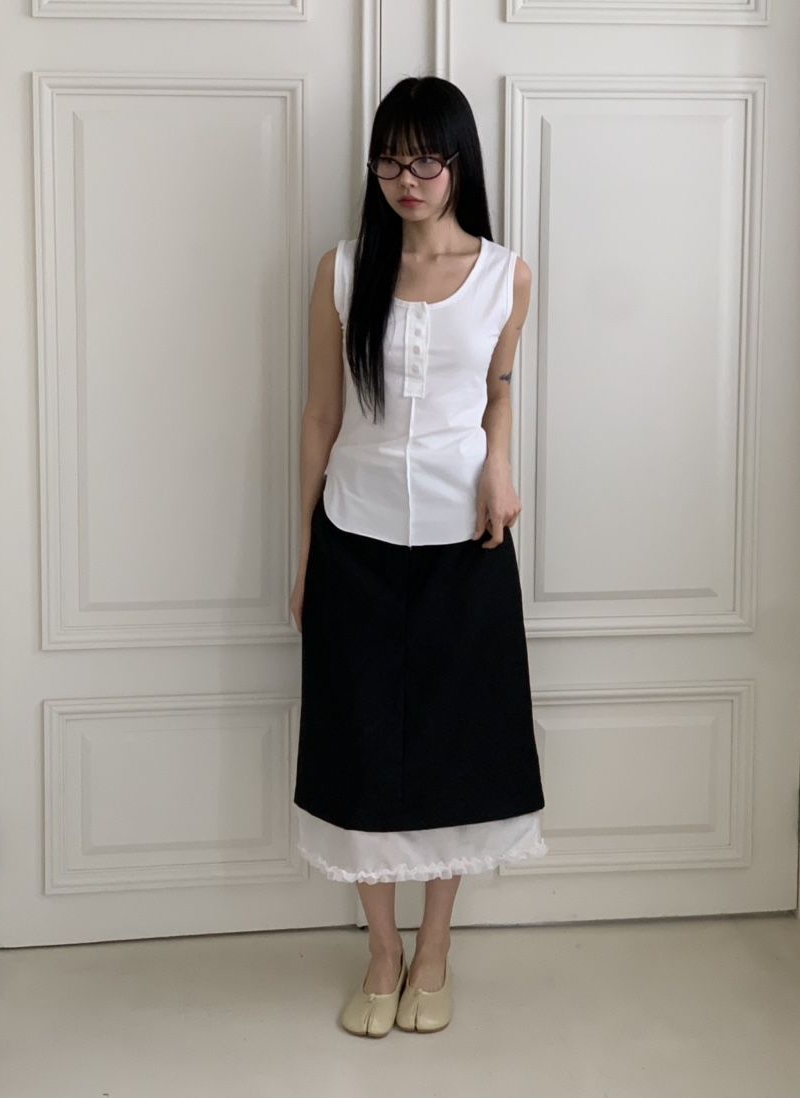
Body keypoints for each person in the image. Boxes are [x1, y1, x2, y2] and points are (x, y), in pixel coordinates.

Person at [289, 76, 547, 1038]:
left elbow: (499, 387)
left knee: (458, 746)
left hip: (466, 541)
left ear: (459, 162)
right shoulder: (343, 271)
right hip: (355, 536)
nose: (408, 178)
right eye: (390, 159)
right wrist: (305, 553)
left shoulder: (506, 275)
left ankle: (435, 948)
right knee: (359, 745)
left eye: (426, 158)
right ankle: (382, 950)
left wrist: (500, 465)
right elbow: (321, 416)